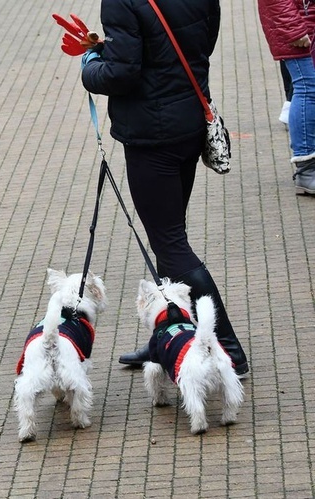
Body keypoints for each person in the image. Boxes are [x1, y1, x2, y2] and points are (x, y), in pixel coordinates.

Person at [80, 0, 249, 375]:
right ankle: (170, 338)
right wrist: (109, 47)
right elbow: (199, 42)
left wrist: (91, 67)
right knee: (169, 237)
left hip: (151, 135)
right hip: (188, 120)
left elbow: (122, 73)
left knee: (171, 244)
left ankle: (227, 348)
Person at [258, 0, 315, 196]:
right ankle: (306, 167)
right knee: (308, 88)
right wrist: (293, 29)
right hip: (301, 23)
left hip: (305, 18)